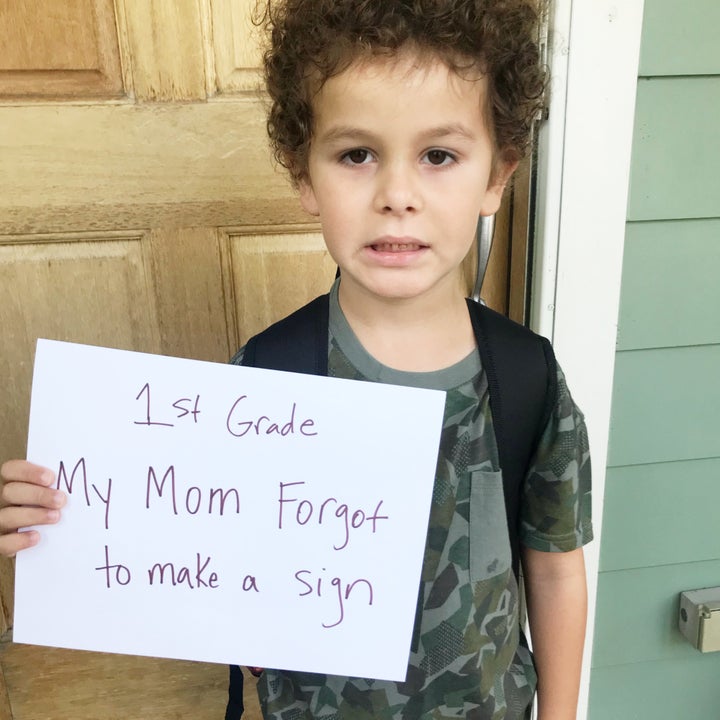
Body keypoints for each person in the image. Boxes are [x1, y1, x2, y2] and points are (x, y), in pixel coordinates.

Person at [0, 1, 593, 718]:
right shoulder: (264, 377)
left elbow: (556, 571)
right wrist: (59, 517)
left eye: (439, 156)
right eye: (356, 155)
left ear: (497, 175)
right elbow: (208, 564)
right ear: (304, 173)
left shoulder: (527, 377)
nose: (396, 196)